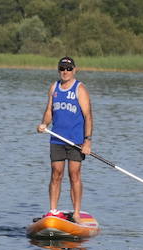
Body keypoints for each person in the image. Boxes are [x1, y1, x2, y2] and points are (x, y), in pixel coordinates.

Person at [36, 56, 94, 224]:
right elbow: (49, 111)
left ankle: (76, 213)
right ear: (59, 70)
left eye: (68, 69)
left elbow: (88, 116)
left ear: (74, 70)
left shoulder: (80, 89)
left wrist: (88, 140)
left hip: (76, 141)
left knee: (74, 174)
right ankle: (53, 211)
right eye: (62, 68)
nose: (65, 72)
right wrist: (44, 124)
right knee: (56, 173)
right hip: (57, 139)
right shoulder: (54, 87)